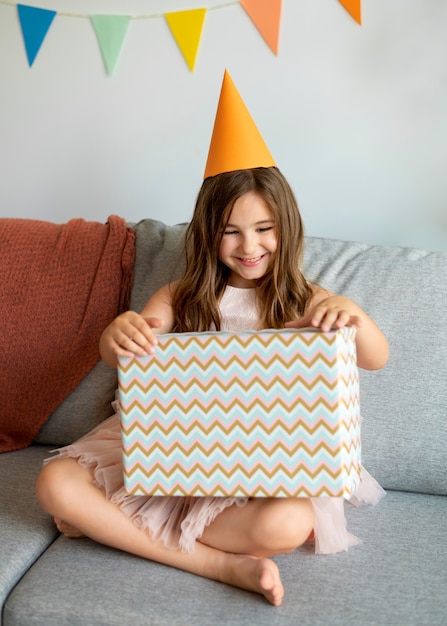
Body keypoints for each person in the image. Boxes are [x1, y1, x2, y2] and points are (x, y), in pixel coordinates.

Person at [36, 73, 388, 607]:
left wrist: (354, 315)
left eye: (264, 228)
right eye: (231, 231)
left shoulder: (306, 298)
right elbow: (125, 351)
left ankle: (114, 525)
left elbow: (376, 359)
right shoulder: (179, 295)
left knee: (290, 521)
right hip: (171, 452)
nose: (250, 246)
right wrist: (117, 334)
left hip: (266, 466)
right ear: (207, 233)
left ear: (286, 228)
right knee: (54, 484)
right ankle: (220, 566)